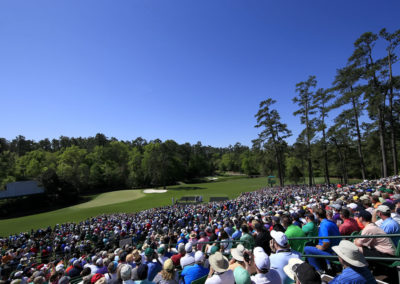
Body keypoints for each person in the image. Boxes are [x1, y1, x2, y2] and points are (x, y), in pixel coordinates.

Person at [303, 208, 340, 273]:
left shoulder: (324, 225)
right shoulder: (331, 222)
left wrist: (321, 247)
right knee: (313, 247)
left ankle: (319, 271)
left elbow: (326, 242)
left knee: (307, 249)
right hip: (336, 249)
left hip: (332, 252)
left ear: (317, 215)